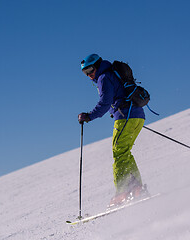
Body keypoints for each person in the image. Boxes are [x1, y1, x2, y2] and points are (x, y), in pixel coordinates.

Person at [78, 53, 148, 208]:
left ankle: (122, 193)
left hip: (125, 117)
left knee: (118, 152)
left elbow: (105, 102)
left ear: (97, 65)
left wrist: (89, 116)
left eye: (90, 70)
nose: (89, 75)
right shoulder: (111, 74)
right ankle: (136, 189)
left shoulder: (104, 77)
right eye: (85, 72)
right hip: (137, 116)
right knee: (124, 152)